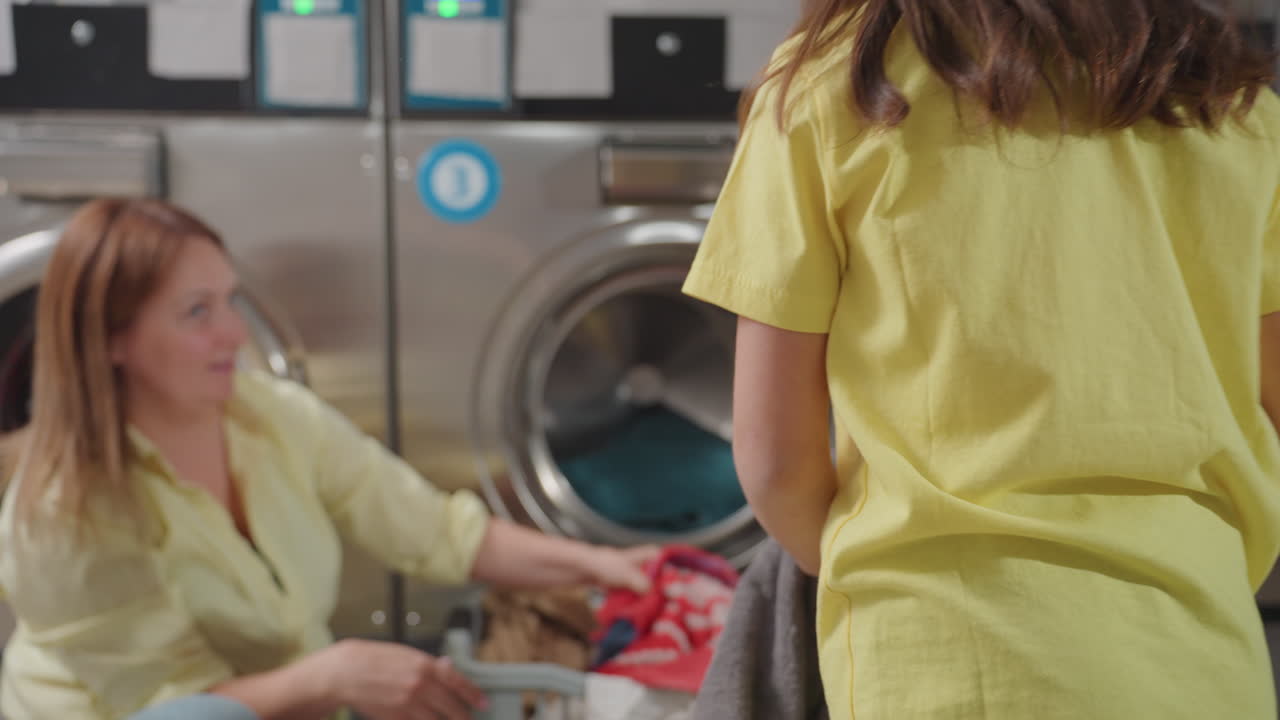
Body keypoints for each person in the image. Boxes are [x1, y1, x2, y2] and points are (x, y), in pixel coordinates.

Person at [683, 0, 1280, 717]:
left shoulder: (845, 82)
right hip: (1202, 655)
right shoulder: (1231, 104)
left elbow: (778, 464)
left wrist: (880, 576)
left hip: (944, 658)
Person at [0, 197, 657, 720]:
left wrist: (604, 564)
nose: (233, 334)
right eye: (196, 313)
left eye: (230, 300)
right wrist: (335, 676)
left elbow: (433, 531)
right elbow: (180, 709)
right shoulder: (62, 516)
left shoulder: (267, 414)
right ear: (112, 341)